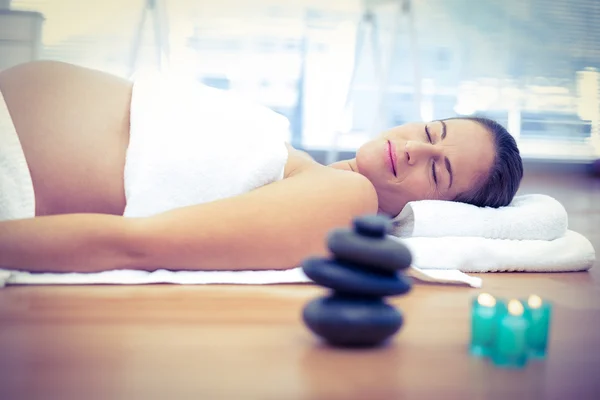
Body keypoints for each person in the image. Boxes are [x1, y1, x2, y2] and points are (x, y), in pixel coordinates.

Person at [0, 61, 523, 273]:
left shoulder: (347, 198)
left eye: (437, 172)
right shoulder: (300, 165)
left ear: (437, 212)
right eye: (430, 133)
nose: (413, 149)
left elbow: (136, 244)